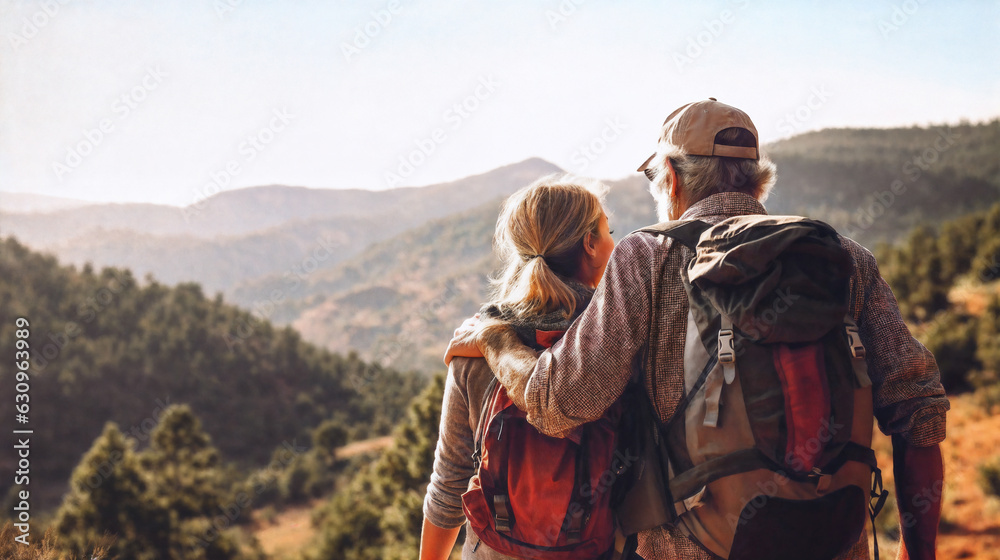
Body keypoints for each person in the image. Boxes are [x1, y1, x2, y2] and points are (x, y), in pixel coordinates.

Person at [445, 99, 949, 560]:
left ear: (671, 175)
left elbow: (560, 405)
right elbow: (920, 410)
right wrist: (918, 552)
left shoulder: (647, 257)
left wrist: (495, 338)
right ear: (758, 180)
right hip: (833, 541)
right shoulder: (845, 257)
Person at [420, 175, 616, 560]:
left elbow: (449, 484)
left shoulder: (476, 341)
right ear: (590, 244)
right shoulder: (613, 338)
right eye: (610, 231)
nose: (613, 242)